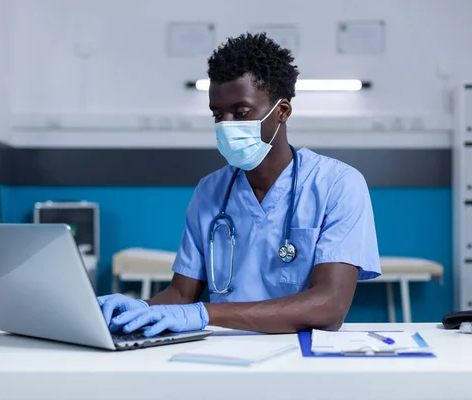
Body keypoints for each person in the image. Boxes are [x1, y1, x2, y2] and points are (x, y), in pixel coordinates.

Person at [97, 32, 381, 336]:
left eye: (241, 112)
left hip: (301, 354)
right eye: (218, 115)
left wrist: (205, 313)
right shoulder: (211, 191)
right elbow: (181, 296)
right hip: (223, 351)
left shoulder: (338, 185)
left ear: (282, 111)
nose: (227, 125)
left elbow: (329, 305)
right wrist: (140, 308)